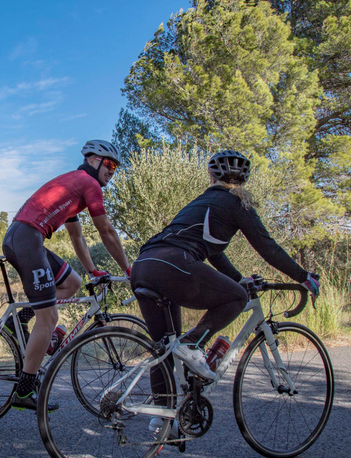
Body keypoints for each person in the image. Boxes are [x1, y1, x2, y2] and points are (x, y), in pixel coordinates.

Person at [130, 150, 320, 385]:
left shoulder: (199, 202)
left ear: (211, 178)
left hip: (143, 266)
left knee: (165, 350)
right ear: (244, 180)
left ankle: (162, 418)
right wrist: (303, 277)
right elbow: (268, 247)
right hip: (173, 264)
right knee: (237, 298)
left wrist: (238, 278)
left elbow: (215, 254)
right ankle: (192, 344)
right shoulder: (236, 202)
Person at [4, 140, 133, 411]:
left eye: (116, 167)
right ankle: (24, 391)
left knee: (72, 283)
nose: (112, 171)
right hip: (27, 238)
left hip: (28, 238)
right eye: (109, 164)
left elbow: (77, 236)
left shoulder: (74, 187)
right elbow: (106, 231)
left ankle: (18, 321)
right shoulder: (89, 184)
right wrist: (129, 269)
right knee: (49, 317)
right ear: (93, 160)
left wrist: (91, 271)